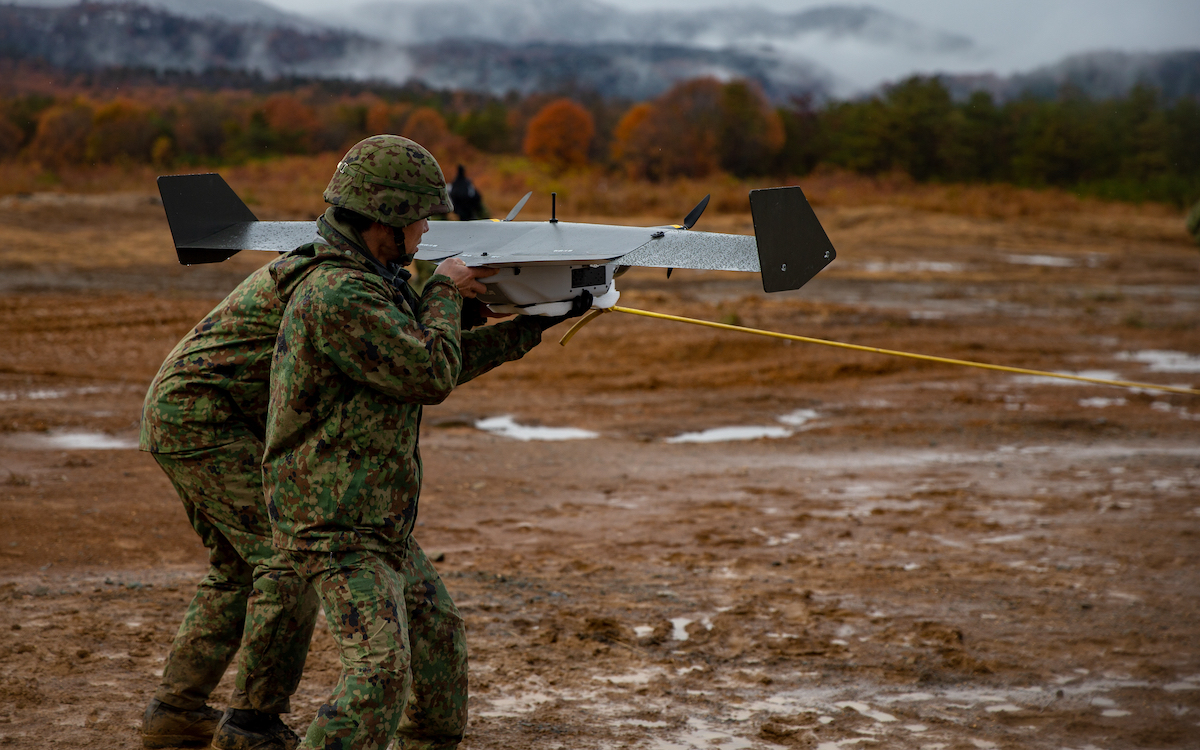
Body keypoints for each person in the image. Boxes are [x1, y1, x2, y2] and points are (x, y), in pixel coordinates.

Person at [262, 135, 587, 750]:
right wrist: (443, 290)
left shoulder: (370, 281)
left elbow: (427, 363)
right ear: (383, 219)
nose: (427, 230)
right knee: (379, 675)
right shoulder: (338, 293)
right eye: (419, 217)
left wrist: (533, 327)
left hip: (374, 515)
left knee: (436, 642)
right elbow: (430, 373)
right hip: (332, 521)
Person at [139, 259, 320, 748]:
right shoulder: (333, 274)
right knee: (289, 560)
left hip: (187, 412)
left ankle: (175, 712)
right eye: (416, 223)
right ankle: (252, 724)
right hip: (204, 418)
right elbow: (404, 363)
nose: (424, 229)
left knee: (237, 567)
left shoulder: (324, 258)